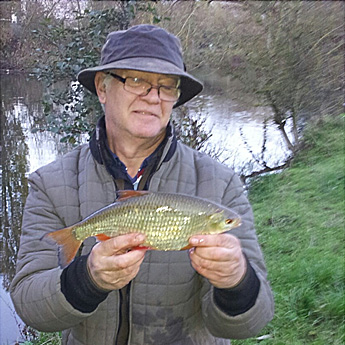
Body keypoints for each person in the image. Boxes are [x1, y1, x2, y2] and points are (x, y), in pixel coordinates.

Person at [10, 25, 274, 345]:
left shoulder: (220, 184)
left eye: (167, 86)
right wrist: (87, 279)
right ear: (103, 88)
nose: (154, 97)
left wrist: (237, 282)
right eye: (137, 80)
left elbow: (254, 321)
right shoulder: (50, 183)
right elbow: (28, 304)